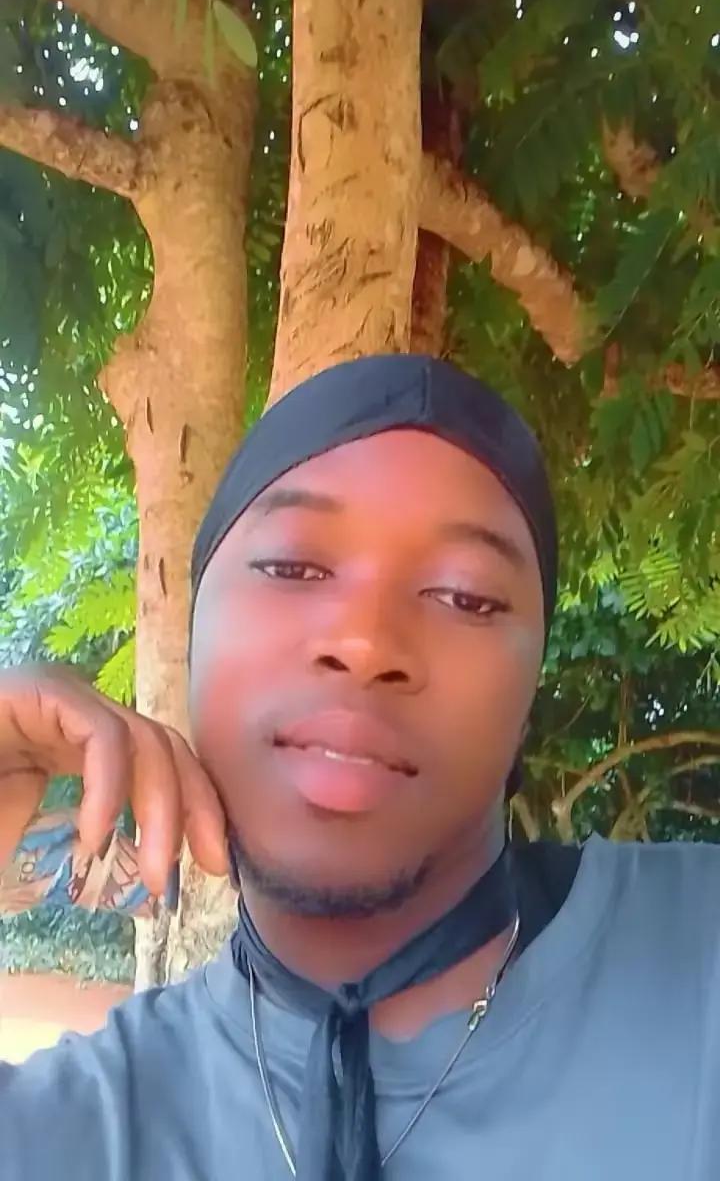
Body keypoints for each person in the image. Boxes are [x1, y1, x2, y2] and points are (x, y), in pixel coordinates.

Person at [0, 353, 718, 1181]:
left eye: (467, 597)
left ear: (530, 694)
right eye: (292, 568)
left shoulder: (697, 964)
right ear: (192, 638)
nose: (366, 642)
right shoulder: (69, 1130)